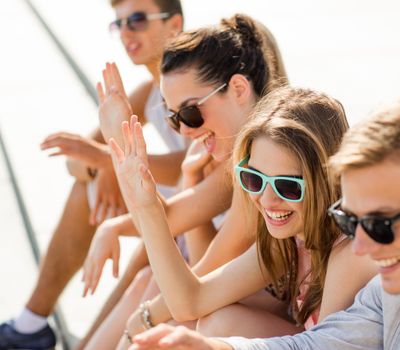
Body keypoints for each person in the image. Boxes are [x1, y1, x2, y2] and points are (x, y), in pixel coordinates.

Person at [128, 87, 400, 349]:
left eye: (380, 225)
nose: (363, 246)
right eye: (351, 221)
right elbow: (318, 345)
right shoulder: (394, 286)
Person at [80, 14, 293, 350]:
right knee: (155, 286)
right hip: (274, 317)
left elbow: (197, 284)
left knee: (189, 317)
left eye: (191, 112)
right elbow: (169, 223)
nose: (186, 131)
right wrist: (121, 148)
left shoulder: (267, 165)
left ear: (238, 88)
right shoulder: (241, 155)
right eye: (174, 118)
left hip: (314, 332)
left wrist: (143, 320)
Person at [111, 86, 375, 347]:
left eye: (288, 186)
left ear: (328, 180)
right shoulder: (289, 242)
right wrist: (148, 208)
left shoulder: (349, 251)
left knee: (216, 326)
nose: (267, 200)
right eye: (254, 179)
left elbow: (319, 346)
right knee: (215, 321)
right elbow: (191, 301)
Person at [0, 1, 187, 349]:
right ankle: (31, 324)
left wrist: (108, 161)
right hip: (173, 205)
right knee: (83, 191)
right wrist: (102, 166)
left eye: (137, 20)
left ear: (174, 24)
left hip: (202, 214)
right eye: (119, 24)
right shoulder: (148, 91)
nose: (127, 32)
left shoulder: (195, 81)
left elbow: (190, 162)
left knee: (144, 261)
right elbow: (75, 159)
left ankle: (74, 339)